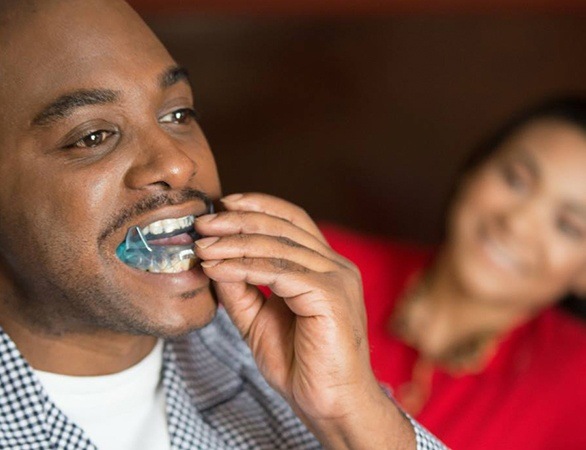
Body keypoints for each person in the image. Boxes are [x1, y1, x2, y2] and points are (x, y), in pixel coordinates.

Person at [0, 0, 447, 449]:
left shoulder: (275, 352)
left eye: (178, 114)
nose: (178, 164)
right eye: (93, 136)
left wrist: (350, 414)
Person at [322, 96, 586, 449]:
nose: (518, 223)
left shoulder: (575, 390)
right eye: (515, 179)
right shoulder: (323, 262)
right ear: (472, 170)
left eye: (568, 226)